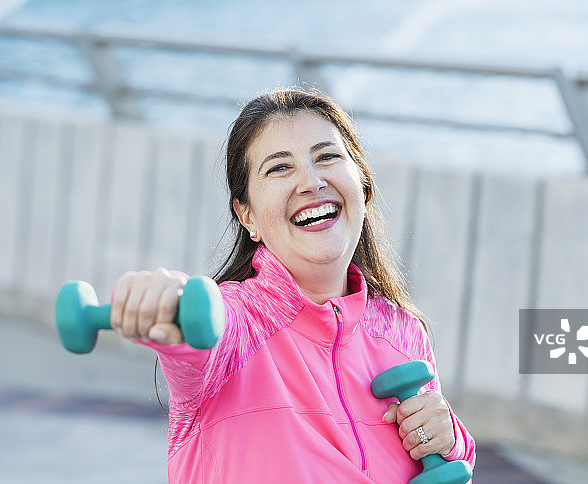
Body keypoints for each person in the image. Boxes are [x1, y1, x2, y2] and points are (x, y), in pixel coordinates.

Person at [109, 88, 476, 482]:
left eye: (328, 157)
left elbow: (446, 465)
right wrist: (170, 296)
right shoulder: (237, 325)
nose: (311, 181)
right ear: (246, 214)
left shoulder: (402, 332)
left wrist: (452, 440)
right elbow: (200, 328)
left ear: (364, 189)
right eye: (279, 168)